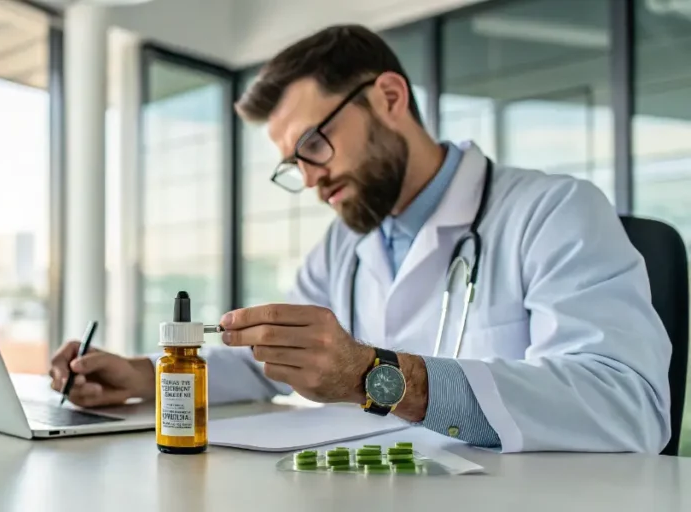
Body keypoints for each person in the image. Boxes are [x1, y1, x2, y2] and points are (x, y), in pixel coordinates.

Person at [49, 24, 672, 453]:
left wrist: (376, 378)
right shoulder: (343, 246)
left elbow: (629, 406)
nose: (311, 176)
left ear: (390, 97)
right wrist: (146, 377)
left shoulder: (554, 211)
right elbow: (272, 363)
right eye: (294, 164)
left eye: (314, 144)